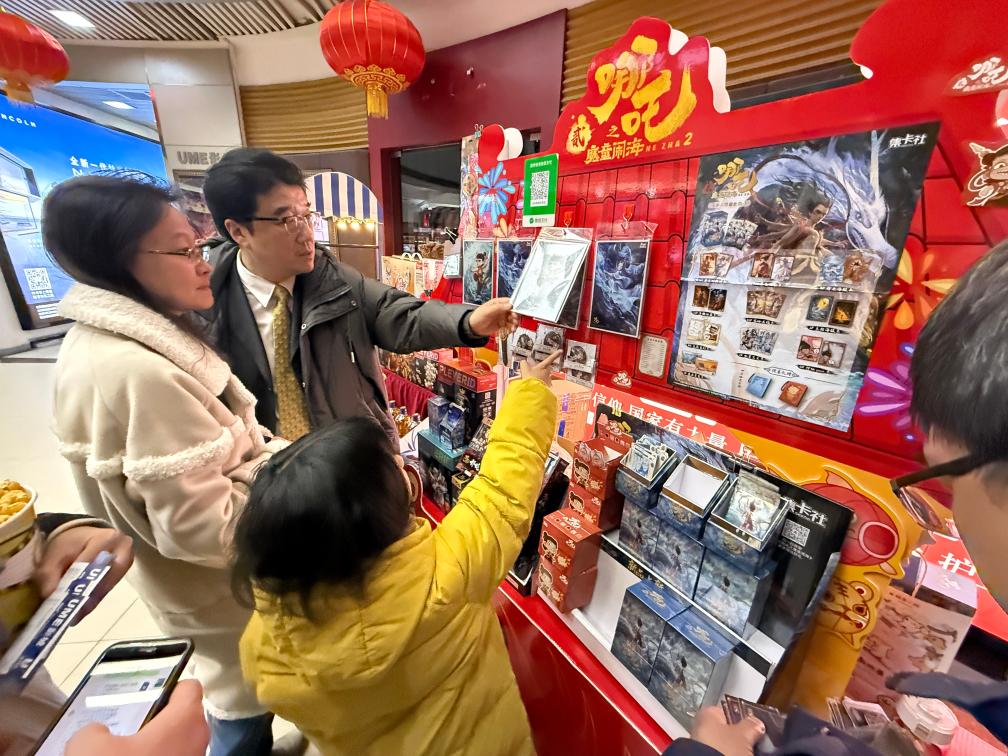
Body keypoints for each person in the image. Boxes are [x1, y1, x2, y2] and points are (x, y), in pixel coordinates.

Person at [44, 174, 287, 756]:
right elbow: (205, 527)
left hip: (199, 589)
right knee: (239, 703)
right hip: (218, 592)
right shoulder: (139, 371)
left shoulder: (117, 345)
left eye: (200, 244)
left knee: (238, 692)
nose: (203, 263)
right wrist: (293, 481)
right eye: (183, 250)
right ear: (120, 263)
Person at [233, 351, 563, 756]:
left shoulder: (267, 646)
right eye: (389, 467)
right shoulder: (449, 572)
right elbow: (502, 493)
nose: (398, 459)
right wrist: (531, 393)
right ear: (380, 514)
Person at [199, 148, 517, 444]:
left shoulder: (336, 280)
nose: (307, 234)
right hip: (265, 471)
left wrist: (468, 321)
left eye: (306, 215)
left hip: (349, 460)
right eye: (286, 220)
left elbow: (401, 315)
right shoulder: (203, 308)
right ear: (238, 231)